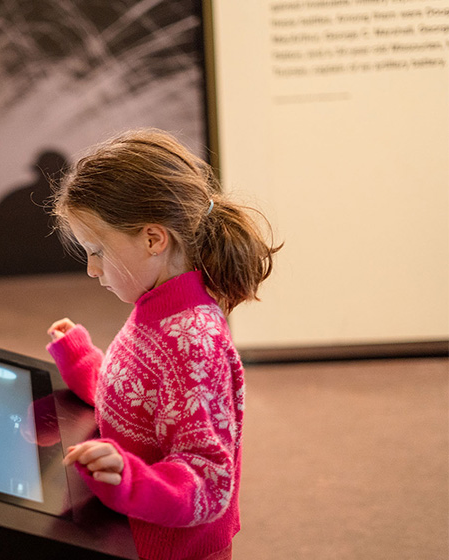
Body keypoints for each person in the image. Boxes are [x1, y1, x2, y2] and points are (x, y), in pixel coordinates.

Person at [45, 128, 280, 560]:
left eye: (97, 251)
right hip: (139, 531)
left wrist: (130, 480)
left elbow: (209, 482)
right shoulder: (157, 308)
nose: (92, 270)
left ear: (153, 239)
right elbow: (142, 396)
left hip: (171, 549)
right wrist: (83, 363)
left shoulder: (192, 343)